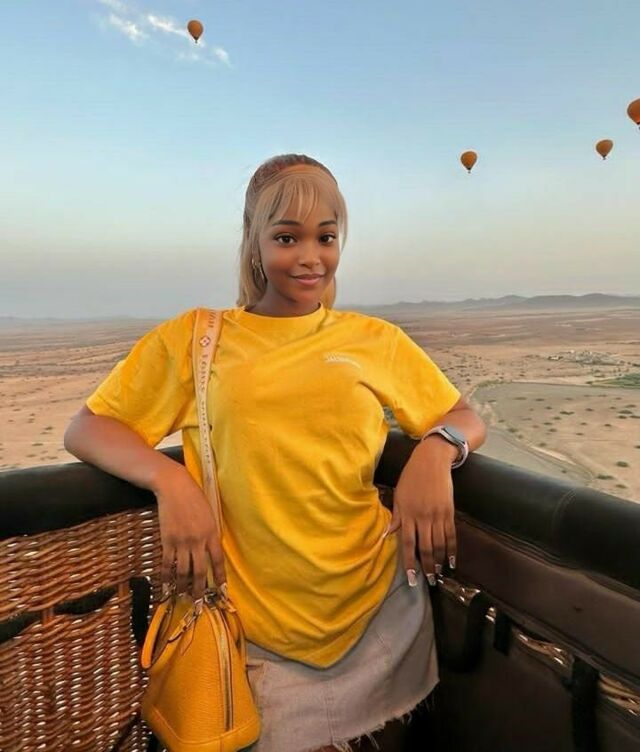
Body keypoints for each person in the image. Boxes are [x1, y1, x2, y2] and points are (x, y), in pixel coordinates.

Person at [64, 153, 487, 752]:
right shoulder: (197, 339)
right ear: (255, 243)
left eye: (326, 238)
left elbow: (462, 415)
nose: (310, 256)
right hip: (255, 627)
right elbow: (88, 428)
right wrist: (172, 482)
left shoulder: (375, 341)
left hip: (380, 601)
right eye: (287, 238)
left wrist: (435, 453)